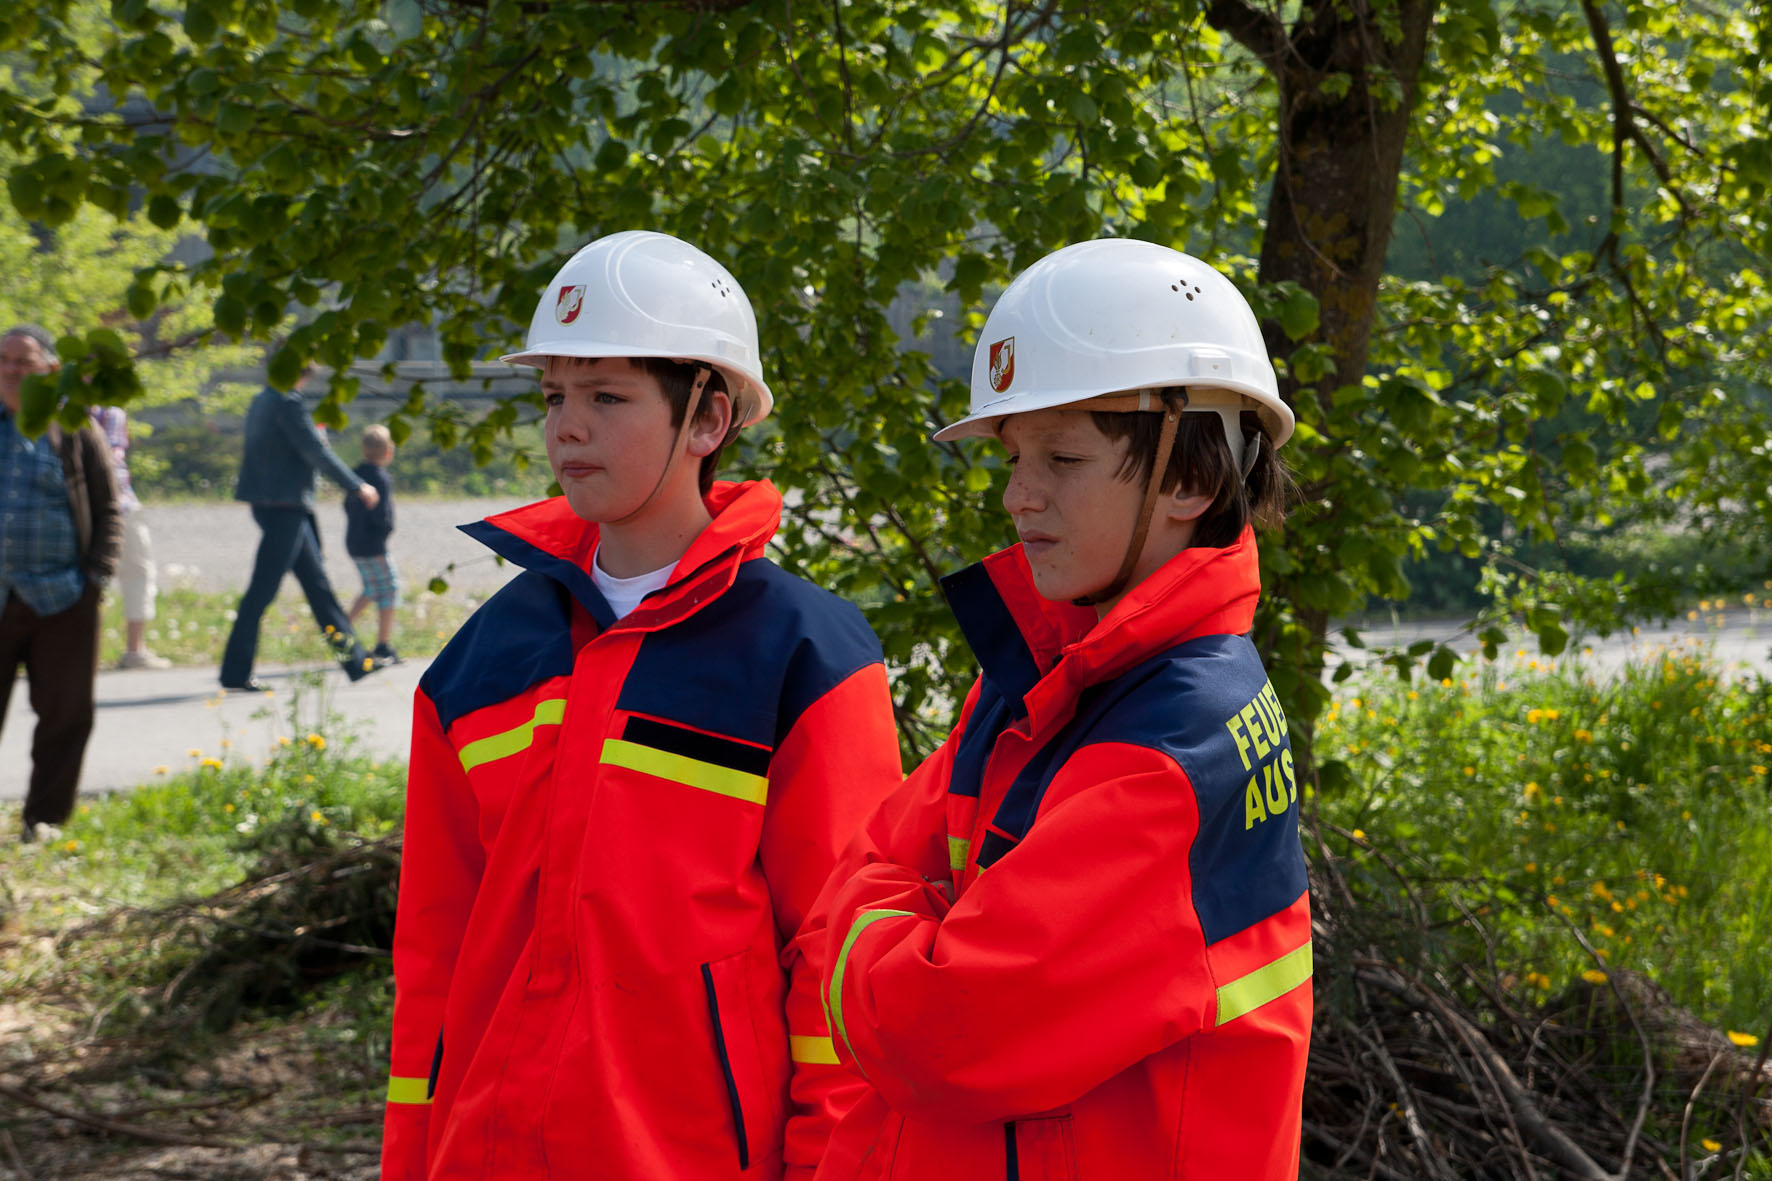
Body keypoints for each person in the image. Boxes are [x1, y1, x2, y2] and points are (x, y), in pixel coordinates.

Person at [380, 230, 903, 1180]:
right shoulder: (481, 662)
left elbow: (838, 961)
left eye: (607, 397)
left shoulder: (803, 653)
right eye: (554, 397)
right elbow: (430, 959)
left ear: (707, 417)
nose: (566, 428)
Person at [803, 239, 1313, 1179]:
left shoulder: (1173, 747)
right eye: (1012, 456)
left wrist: (884, 918)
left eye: (1063, 457)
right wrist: (910, 922)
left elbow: (936, 1029)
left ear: (1192, 479)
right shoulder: (1047, 677)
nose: (1017, 495)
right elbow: (872, 865)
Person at [0, 324, 121, 841]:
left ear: (50, 370)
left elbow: (108, 508)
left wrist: (95, 579)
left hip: (63, 597)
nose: (11, 370)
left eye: (23, 362)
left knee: (66, 715)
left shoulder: (73, 429)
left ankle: (44, 821)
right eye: (4, 360)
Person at [218, 363, 379, 691]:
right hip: (285, 507)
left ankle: (355, 660)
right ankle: (235, 672)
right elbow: (315, 451)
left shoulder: (262, 399)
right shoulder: (287, 403)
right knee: (262, 590)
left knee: (318, 587)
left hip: (274, 504)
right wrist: (357, 486)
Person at [90, 403, 170, 669]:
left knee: (89, 580)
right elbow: (111, 460)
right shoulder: (109, 412)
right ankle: (134, 651)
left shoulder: (53, 404)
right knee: (137, 574)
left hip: (79, 507)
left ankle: (86, 653)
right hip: (119, 507)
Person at [345, 423, 401, 666]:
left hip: (354, 542)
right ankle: (383, 646)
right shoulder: (381, 478)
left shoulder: (354, 475)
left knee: (372, 588)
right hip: (373, 544)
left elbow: (346, 506)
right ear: (389, 451)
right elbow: (382, 515)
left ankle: (340, 631)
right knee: (390, 588)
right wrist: (386, 529)